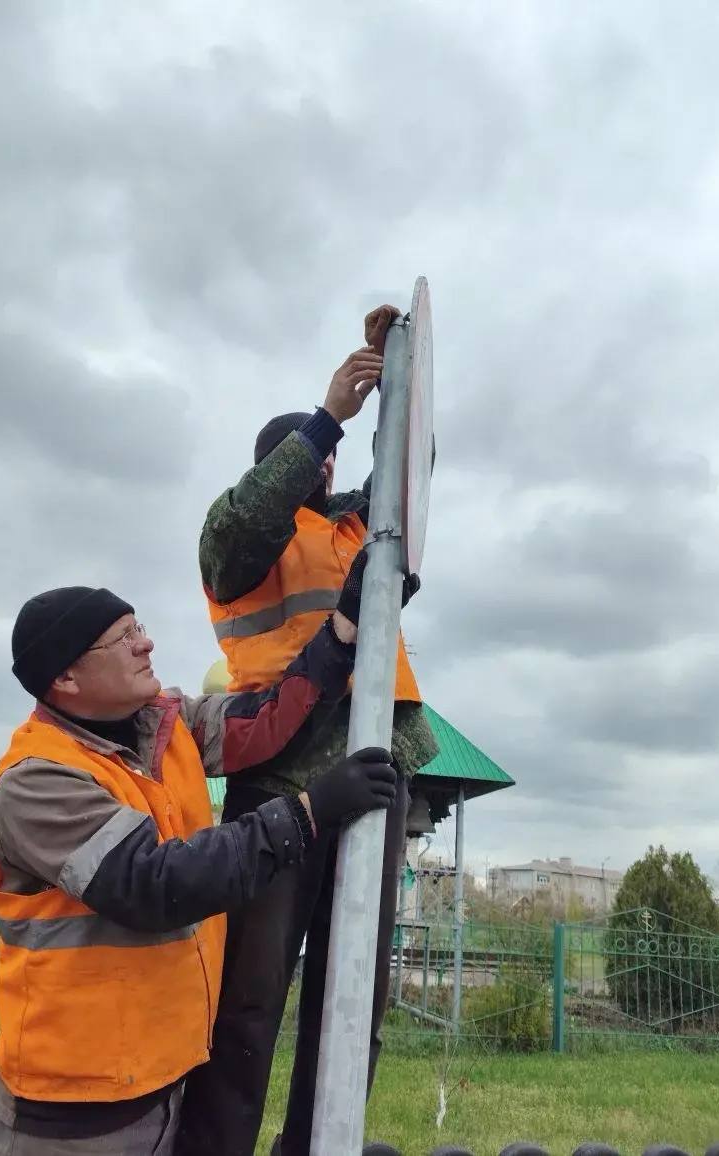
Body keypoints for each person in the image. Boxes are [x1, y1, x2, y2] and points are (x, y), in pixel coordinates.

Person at [0, 583, 395, 1156]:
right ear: (66, 678)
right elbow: (154, 883)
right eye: (123, 638)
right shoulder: (36, 780)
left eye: (138, 627)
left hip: (168, 1080)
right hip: (74, 1112)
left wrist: (343, 626)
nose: (147, 644)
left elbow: (266, 719)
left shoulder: (164, 727)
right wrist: (308, 813)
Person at [177, 306, 438, 1155]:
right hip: (280, 778)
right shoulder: (240, 536)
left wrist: (400, 370)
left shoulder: (360, 528)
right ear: (277, 466)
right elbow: (246, 519)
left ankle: (318, 1144)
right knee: (249, 1000)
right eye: (308, 456)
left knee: (352, 994)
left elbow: (412, 476)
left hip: (374, 769)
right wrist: (328, 413)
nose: (326, 466)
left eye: (327, 458)